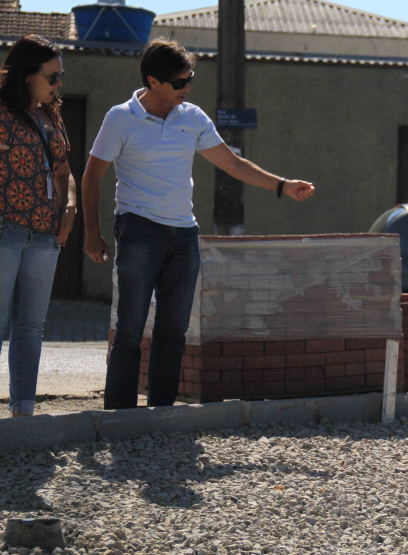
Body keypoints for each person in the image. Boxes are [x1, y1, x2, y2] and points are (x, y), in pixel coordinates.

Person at [83, 39, 314, 411]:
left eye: (189, 79)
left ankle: (162, 413)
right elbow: (92, 176)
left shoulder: (192, 116)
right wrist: (91, 234)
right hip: (138, 232)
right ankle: (118, 416)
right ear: (153, 81)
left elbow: (233, 164)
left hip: (183, 236)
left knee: (173, 331)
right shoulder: (120, 117)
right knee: (129, 329)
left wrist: (282, 185)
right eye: (179, 82)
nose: (186, 88)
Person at [0, 35, 78, 421]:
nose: (58, 85)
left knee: (31, 326)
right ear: (26, 75)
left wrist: (70, 205)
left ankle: (24, 414)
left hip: (45, 234)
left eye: (60, 77)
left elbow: (65, 172)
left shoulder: (51, 116)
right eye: (52, 77)